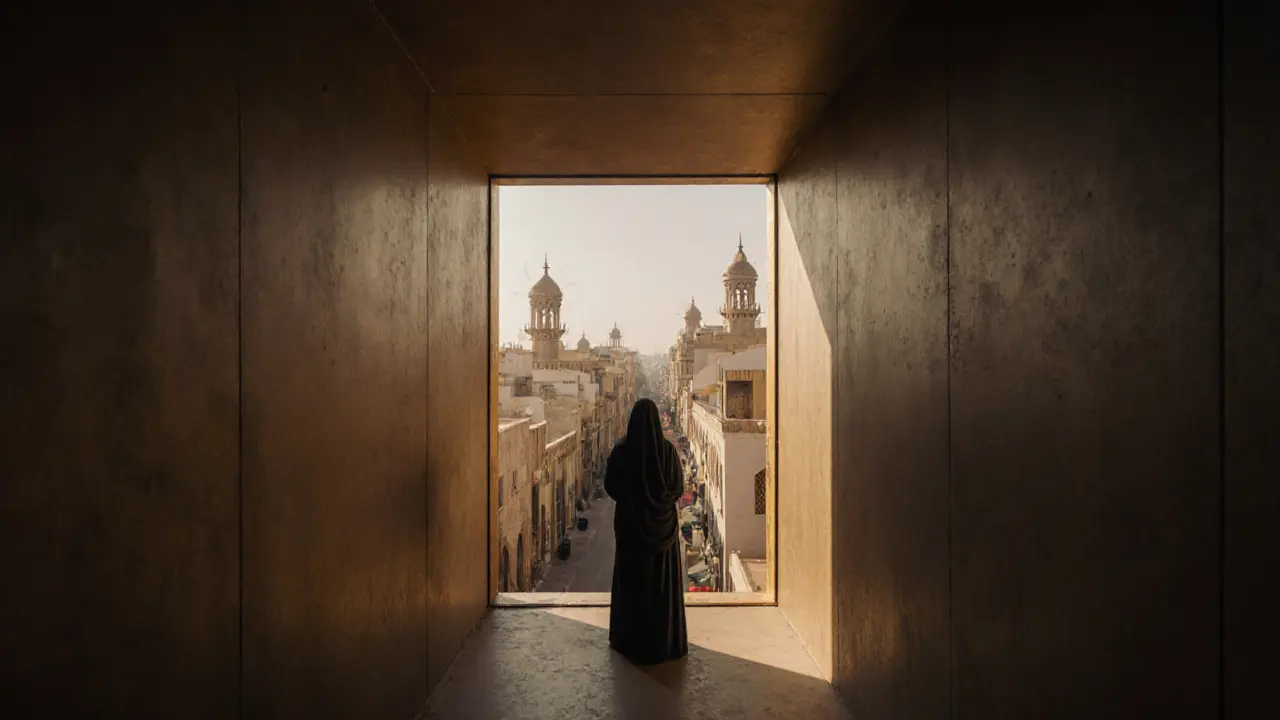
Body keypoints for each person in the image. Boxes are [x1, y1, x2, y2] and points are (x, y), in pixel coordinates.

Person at [605, 398, 688, 665]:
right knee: (661, 590)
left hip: (630, 533)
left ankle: (630, 642)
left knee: (632, 588)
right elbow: (677, 488)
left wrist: (633, 500)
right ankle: (663, 644)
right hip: (663, 535)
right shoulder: (667, 452)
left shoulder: (621, 452)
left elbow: (610, 487)